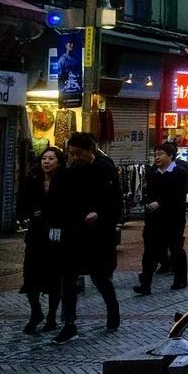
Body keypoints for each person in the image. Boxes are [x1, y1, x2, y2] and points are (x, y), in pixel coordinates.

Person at [50, 133, 122, 343]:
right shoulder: (71, 171)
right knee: (68, 276)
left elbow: (115, 203)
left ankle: (112, 307)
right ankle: (69, 323)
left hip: (99, 235)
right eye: (71, 153)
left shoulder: (106, 169)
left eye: (78, 153)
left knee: (99, 277)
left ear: (91, 149)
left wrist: (99, 214)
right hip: (75, 233)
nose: (74, 157)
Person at [134, 141, 188, 297]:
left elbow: (178, 196)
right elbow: (147, 192)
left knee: (176, 249)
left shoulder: (180, 172)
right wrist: (149, 202)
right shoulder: (153, 172)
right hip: (153, 219)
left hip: (174, 219)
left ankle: (180, 279)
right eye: (155, 154)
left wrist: (161, 203)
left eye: (160, 154)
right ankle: (145, 284)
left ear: (170, 156)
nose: (156, 157)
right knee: (149, 251)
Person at [18, 146, 63, 334]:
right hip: (35, 235)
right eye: (44, 158)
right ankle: (36, 312)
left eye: (51, 158)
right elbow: (22, 204)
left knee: (54, 278)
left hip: (56, 235)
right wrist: (27, 216)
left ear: (59, 162)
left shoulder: (65, 181)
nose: (46, 161)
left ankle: (52, 316)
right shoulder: (32, 180)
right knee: (30, 276)